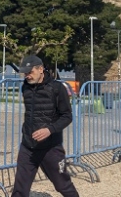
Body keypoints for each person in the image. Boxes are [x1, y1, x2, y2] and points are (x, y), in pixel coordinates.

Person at [12, 55, 79, 197]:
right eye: (25, 73)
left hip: (51, 148)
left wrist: (50, 129)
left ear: (40, 69)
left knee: (63, 185)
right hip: (28, 147)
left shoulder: (57, 88)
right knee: (19, 189)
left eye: (30, 72)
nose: (27, 76)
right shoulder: (25, 87)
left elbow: (67, 116)